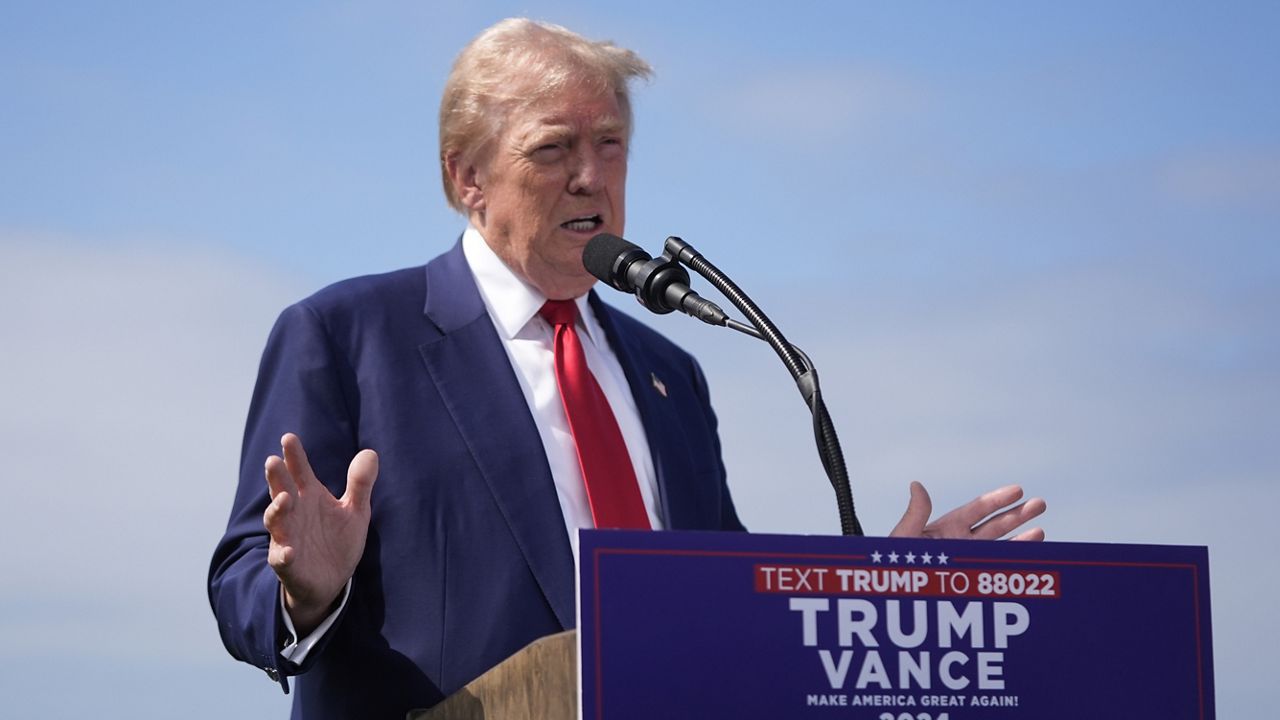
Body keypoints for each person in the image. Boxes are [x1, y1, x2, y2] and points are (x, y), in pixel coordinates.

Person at [208, 18, 1045, 720]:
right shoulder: (346, 336)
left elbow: (725, 599)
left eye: (610, 145)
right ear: (467, 177)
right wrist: (304, 593)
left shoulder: (669, 373)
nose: (589, 174)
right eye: (553, 148)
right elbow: (245, 580)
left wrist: (861, 589)